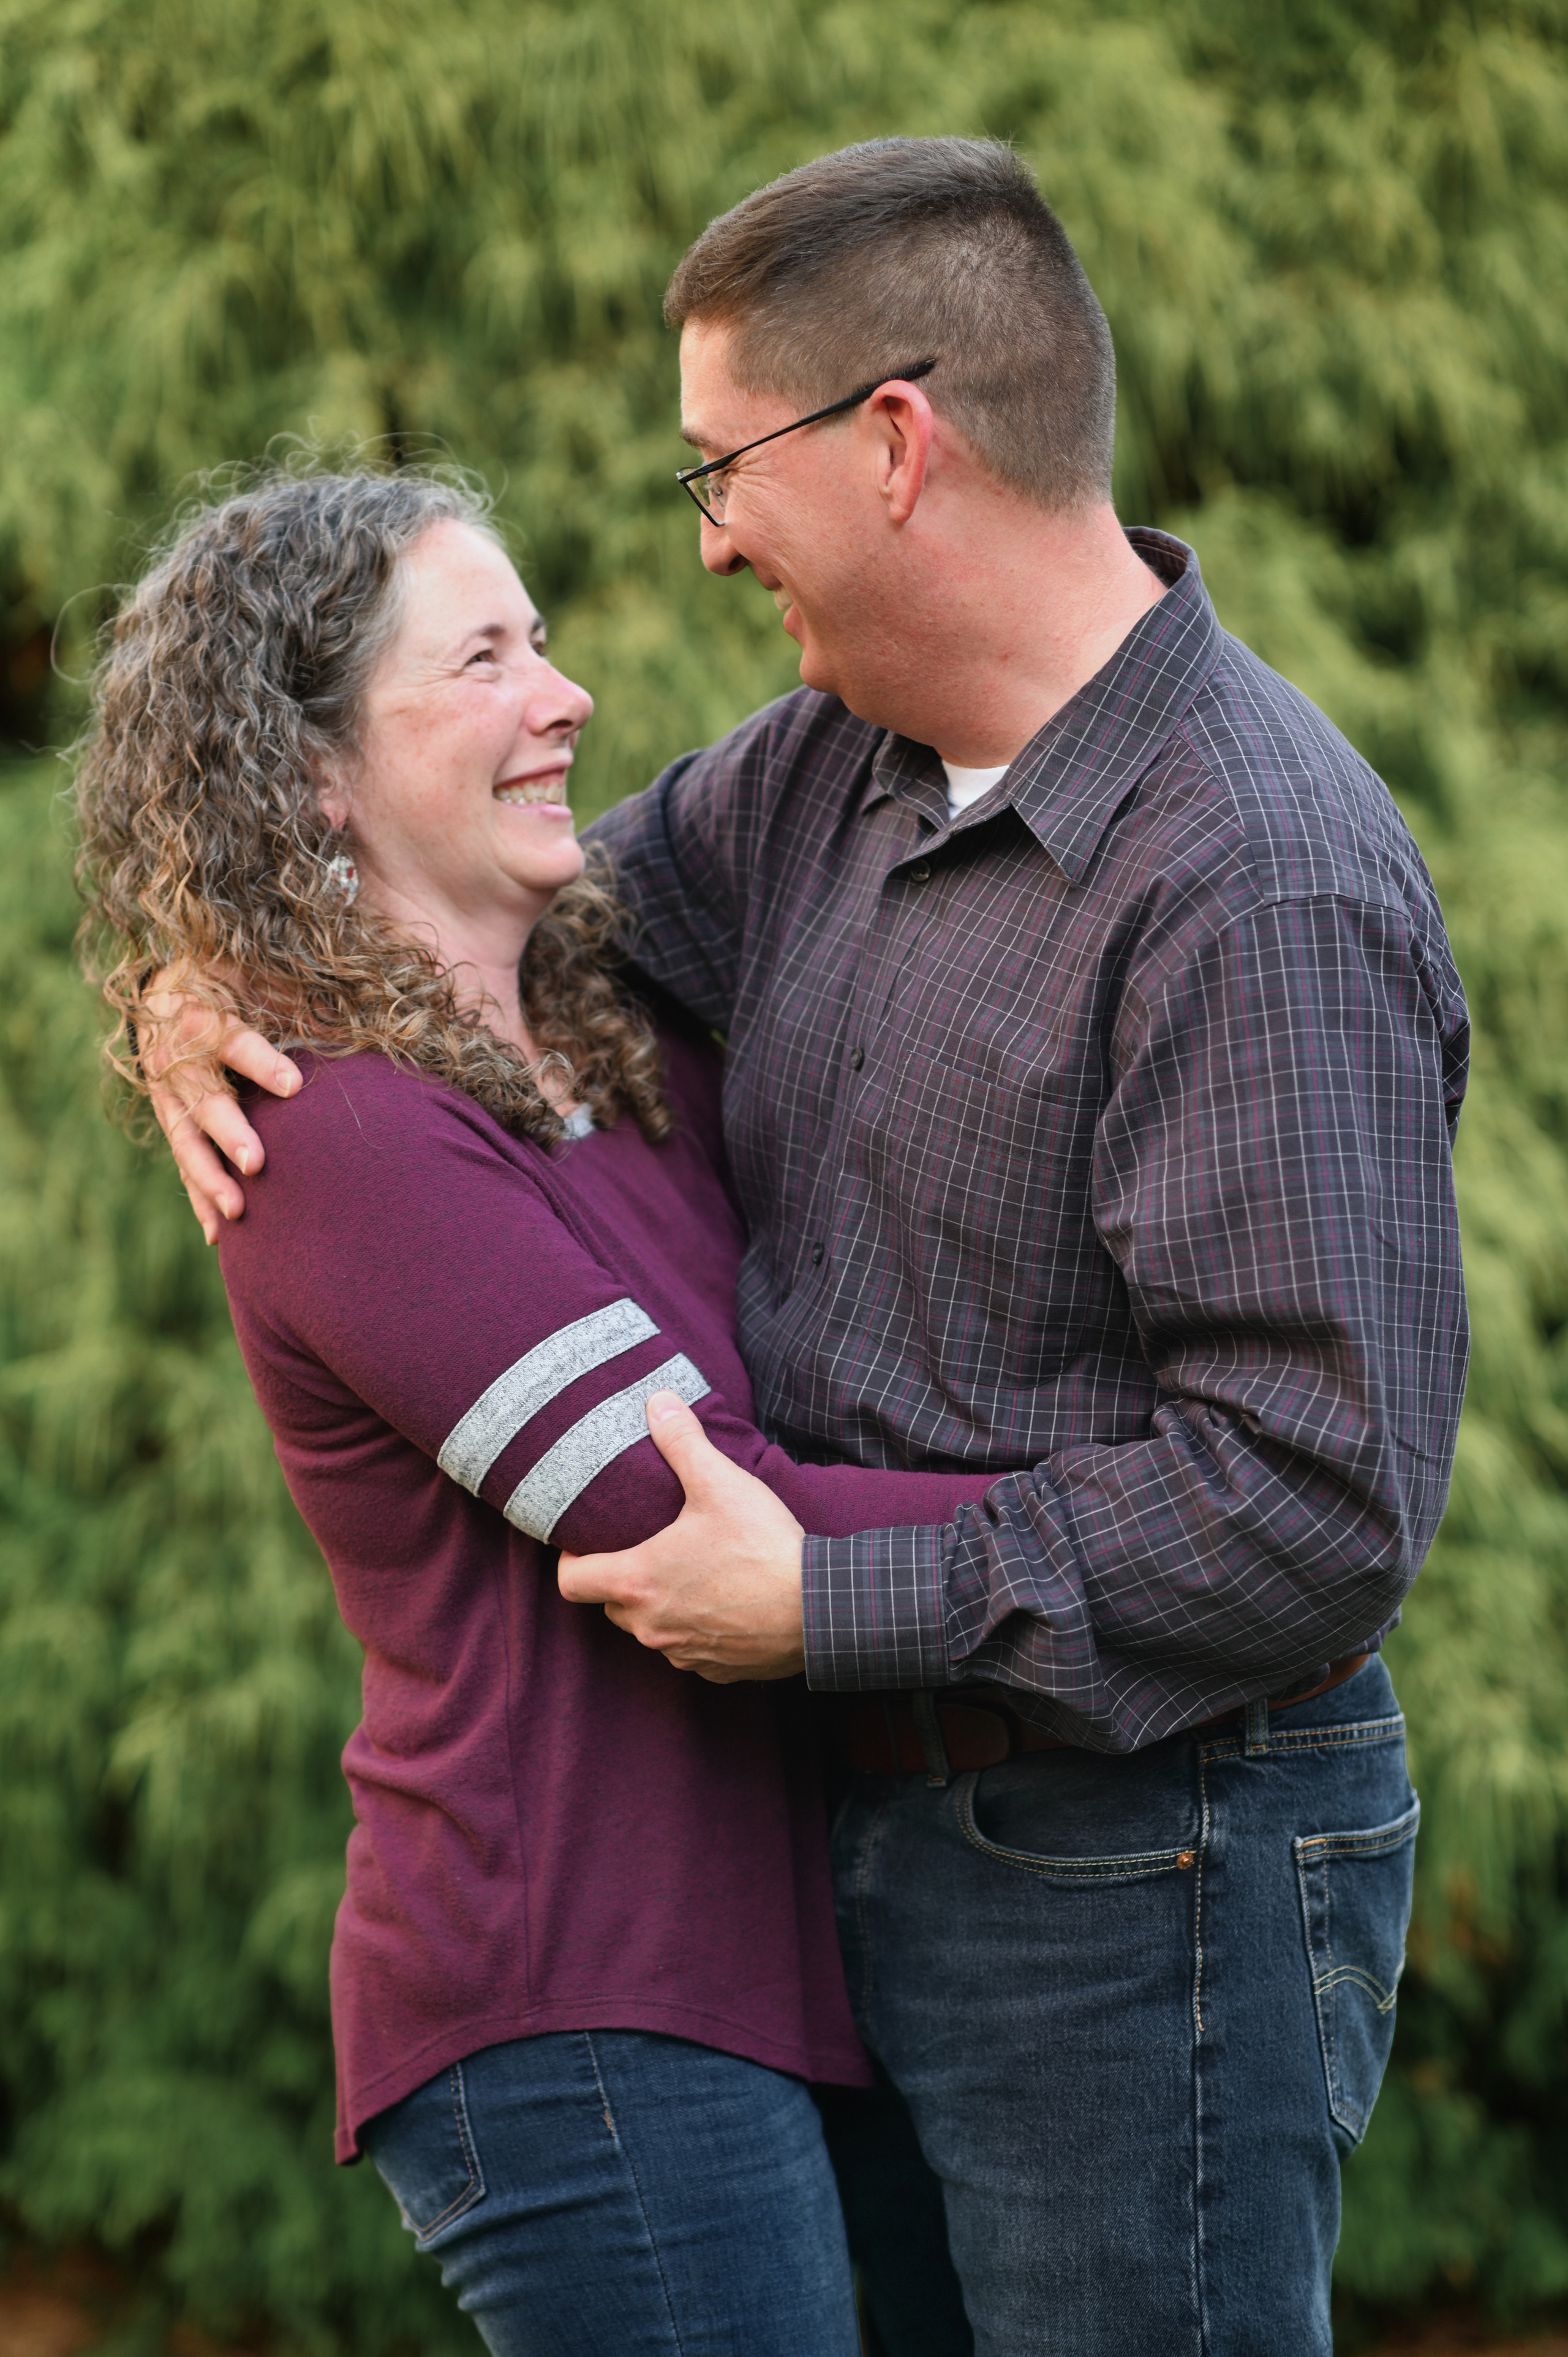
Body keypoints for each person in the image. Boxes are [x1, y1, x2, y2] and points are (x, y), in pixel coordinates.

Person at [144, 141, 1468, 2357]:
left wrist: (834, 1597)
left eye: (722, 465)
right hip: (885, 1866)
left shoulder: (1254, 878)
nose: (708, 532)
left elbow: (1317, 1501)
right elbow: (456, 930)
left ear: (891, 444)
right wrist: (202, 980)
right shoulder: (833, 779)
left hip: (1157, 1864)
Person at [75, 466, 1008, 2357]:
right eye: (485, 658)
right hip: (569, 1998)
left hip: (770, 1966)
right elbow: (694, 1516)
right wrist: (1152, 1534)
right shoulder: (335, 1132)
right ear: (314, 777)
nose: (565, 694)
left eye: (546, 642)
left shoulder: (618, 1044)